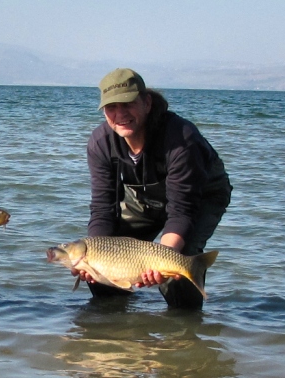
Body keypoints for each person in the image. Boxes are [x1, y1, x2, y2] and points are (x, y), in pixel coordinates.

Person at [79, 68, 232, 310]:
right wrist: (94, 259)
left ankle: (185, 337)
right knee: (101, 273)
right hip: (145, 197)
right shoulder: (100, 142)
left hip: (201, 196)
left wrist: (161, 261)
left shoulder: (182, 138)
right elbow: (102, 208)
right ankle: (117, 334)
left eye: (127, 103)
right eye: (111, 107)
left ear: (147, 102)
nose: (120, 114)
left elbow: (182, 210)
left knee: (176, 273)